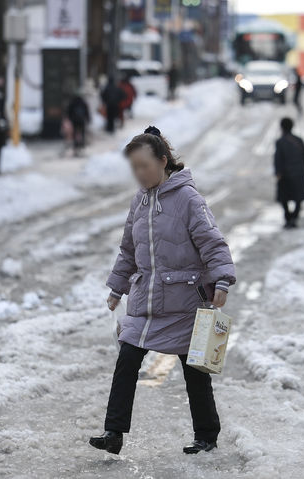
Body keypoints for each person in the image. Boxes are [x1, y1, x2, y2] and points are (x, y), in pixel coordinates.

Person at [90, 126, 236, 456]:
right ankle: (113, 433)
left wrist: (223, 280)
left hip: (185, 302)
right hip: (147, 302)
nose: (140, 174)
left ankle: (206, 435)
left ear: (163, 161)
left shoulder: (188, 199)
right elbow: (129, 250)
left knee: (195, 371)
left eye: (145, 166)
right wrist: (117, 288)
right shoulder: (139, 202)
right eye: (135, 168)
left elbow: (213, 243)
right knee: (127, 358)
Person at [274, 117, 304, 228]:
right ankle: (294, 217)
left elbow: (278, 158)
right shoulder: (298, 140)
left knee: (284, 198)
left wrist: (278, 172)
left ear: (281, 127)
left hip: (285, 174)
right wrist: (300, 167)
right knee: (298, 197)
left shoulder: (280, 142)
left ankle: (288, 218)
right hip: (299, 173)